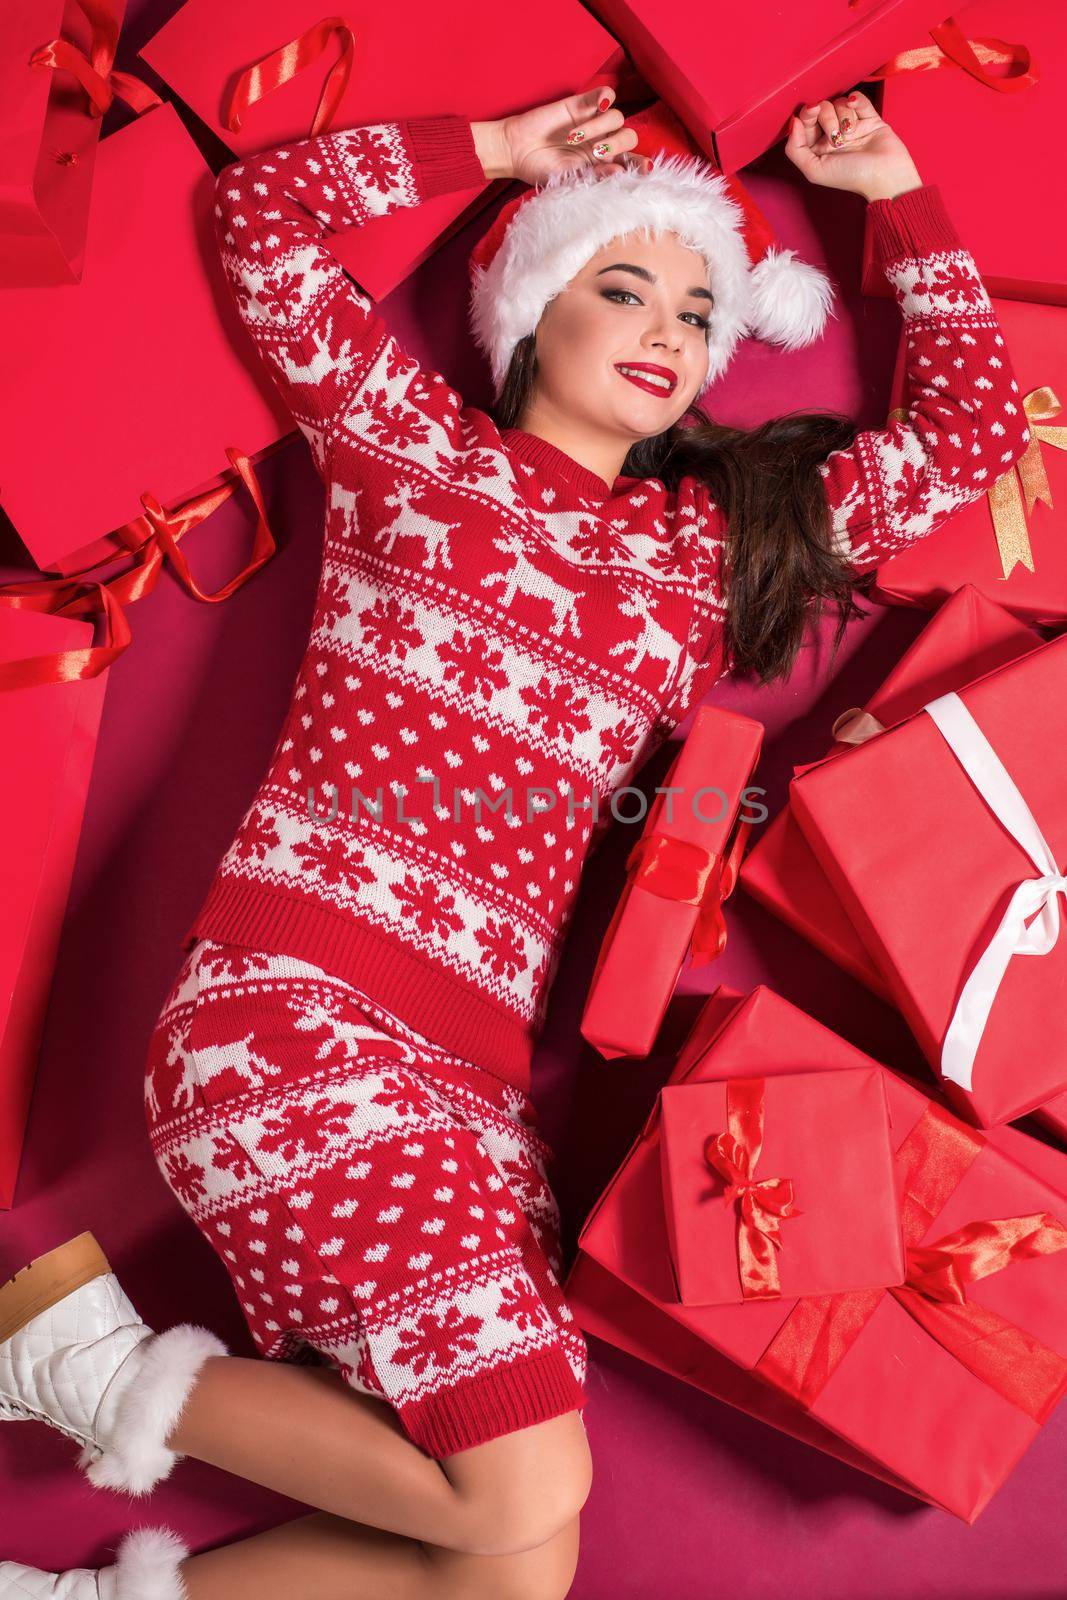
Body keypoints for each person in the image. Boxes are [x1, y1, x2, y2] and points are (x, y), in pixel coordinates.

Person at [0, 83, 1030, 1600]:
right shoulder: (410, 453)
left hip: (469, 1099)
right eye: (622, 284)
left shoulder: (695, 563)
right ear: (529, 306)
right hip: (295, 1026)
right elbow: (255, 223)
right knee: (526, 1487)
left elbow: (976, 435)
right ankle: (70, 1366)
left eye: (701, 308)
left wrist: (904, 195)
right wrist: (486, 151)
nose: (670, 325)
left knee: (514, 1567)